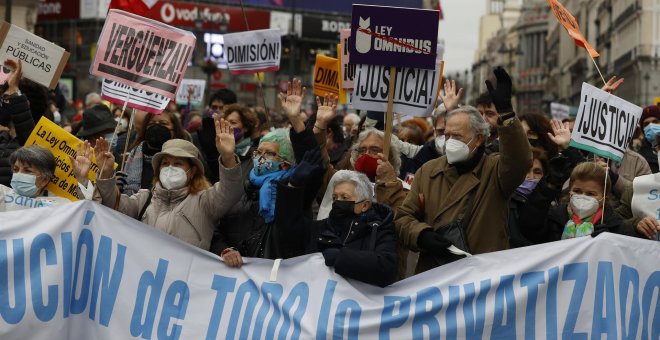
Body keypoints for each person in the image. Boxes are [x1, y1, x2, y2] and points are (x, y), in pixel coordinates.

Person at [395, 67, 532, 274]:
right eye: (447, 135)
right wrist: (421, 235)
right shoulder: (428, 171)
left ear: (478, 138)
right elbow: (403, 218)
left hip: (480, 279)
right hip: (434, 275)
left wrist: (506, 112)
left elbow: (520, 160)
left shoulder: (495, 171)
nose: (449, 142)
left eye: (457, 136)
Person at [91, 119, 244, 250]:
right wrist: (105, 173)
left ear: (192, 171)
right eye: (165, 163)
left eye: (178, 163)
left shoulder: (204, 201)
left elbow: (230, 191)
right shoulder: (145, 198)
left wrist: (228, 157)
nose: (170, 168)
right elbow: (113, 204)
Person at [276, 168, 398, 287]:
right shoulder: (321, 227)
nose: (337, 202)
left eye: (344, 197)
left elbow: (387, 268)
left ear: (365, 205)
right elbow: (289, 230)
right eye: (335, 198)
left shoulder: (378, 230)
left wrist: (341, 258)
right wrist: (292, 187)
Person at [518, 162, 639, 243]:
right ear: (569, 191)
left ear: (605, 196)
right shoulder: (554, 218)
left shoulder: (618, 227)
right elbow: (529, 228)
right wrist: (549, 187)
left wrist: (610, 242)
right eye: (577, 191)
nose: (583, 197)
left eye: (591, 194)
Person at [0, 144, 93, 211]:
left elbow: (89, 213)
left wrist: (83, 179)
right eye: (15, 169)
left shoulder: (61, 205)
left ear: (44, 180)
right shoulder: (2, 194)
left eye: (28, 171)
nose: (18, 174)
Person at [120, 110, 191, 196]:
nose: (156, 127)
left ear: (174, 130)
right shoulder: (134, 154)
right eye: (152, 124)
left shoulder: (186, 157)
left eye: (163, 124)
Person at [0, 59, 35, 187]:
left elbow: (29, 143)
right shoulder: (3, 139)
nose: (2, 104)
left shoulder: (32, 143)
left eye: (5, 98)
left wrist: (14, 90)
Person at [194, 89, 238, 183]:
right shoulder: (198, 135)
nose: (217, 111)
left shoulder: (237, 137)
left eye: (222, 108)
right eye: (214, 107)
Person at [222, 103, 258, 182]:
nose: (228, 126)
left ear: (245, 127)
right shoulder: (219, 151)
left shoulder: (254, 156)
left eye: (233, 122)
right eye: (226, 122)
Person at [637, 105, 660, 173]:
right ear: (642, 129)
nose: (651, 126)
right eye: (646, 124)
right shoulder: (639, 156)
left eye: (655, 122)